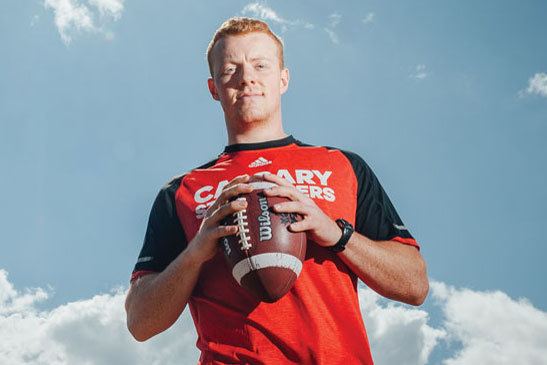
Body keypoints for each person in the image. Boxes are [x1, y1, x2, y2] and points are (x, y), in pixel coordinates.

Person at [125, 17, 429, 364]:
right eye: (230, 69)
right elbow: (140, 322)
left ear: (283, 78)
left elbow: (414, 284)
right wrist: (196, 252)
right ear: (214, 88)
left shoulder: (343, 166)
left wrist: (336, 233)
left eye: (260, 65)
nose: (247, 77)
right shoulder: (182, 192)